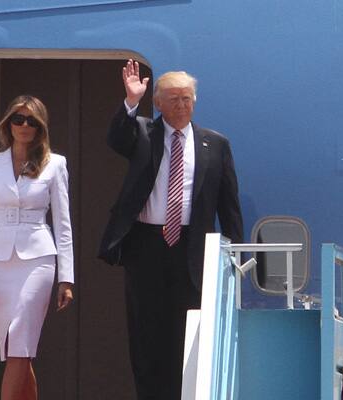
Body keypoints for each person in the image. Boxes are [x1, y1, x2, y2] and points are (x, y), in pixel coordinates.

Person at [98, 60, 243, 400]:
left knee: (187, 334)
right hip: (147, 247)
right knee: (147, 337)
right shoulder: (143, 133)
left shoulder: (215, 144)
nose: (181, 105)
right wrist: (131, 102)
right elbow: (117, 138)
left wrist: (237, 256)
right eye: (173, 99)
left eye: (187, 98)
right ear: (159, 103)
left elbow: (229, 206)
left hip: (192, 250)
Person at [0, 95, 74, 400]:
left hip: (37, 259)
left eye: (32, 121)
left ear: (41, 127)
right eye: (18, 119)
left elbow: (63, 223)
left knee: (19, 340)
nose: (24, 126)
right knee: (16, 349)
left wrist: (67, 277)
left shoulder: (55, 164)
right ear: (8, 124)